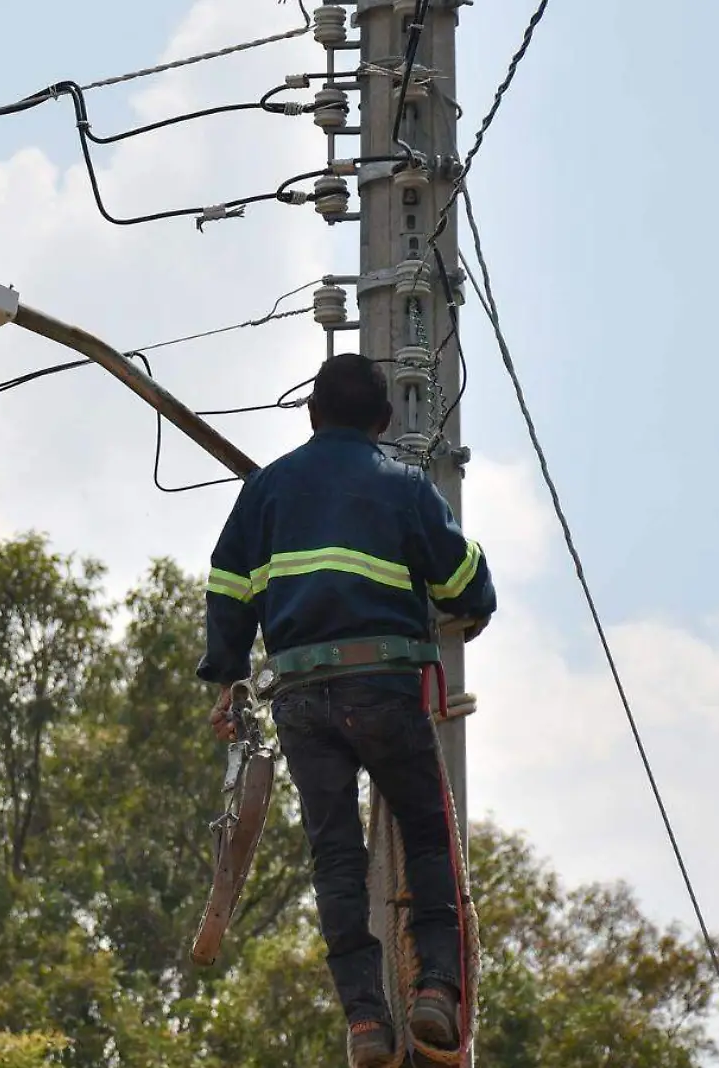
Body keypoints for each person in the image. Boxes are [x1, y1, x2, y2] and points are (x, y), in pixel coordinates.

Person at [197, 351, 497, 1067]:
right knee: (427, 838)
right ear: (386, 421)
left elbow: (226, 587)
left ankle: (366, 1022)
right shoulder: (405, 487)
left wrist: (228, 679)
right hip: (386, 691)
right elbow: (467, 586)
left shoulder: (267, 490)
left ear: (311, 415)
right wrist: (464, 593)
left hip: (303, 698)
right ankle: (437, 992)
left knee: (336, 857)